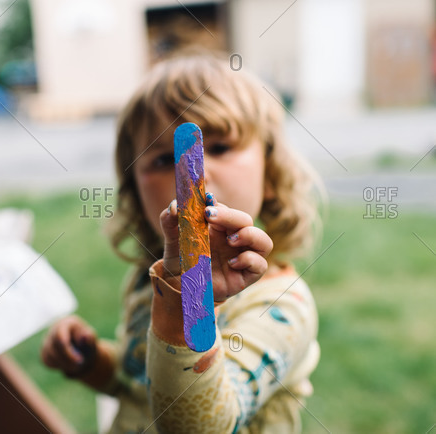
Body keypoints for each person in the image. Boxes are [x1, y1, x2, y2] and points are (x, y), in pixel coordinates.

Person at [41, 52, 324, 433]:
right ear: (135, 196)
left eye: (221, 147)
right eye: (162, 159)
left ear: (270, 174)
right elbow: (142, 383)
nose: (194, 172)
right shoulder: (151, 282)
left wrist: (187, 304)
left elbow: (202, 426)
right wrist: (91, 361)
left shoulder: (282, 307)